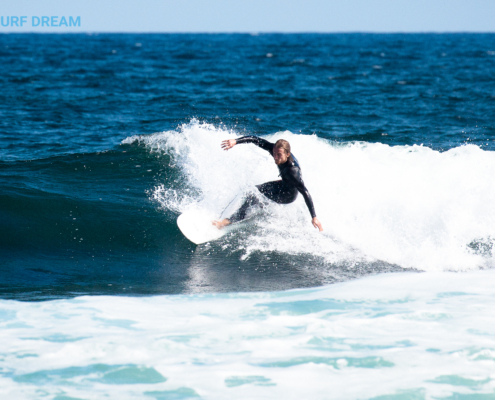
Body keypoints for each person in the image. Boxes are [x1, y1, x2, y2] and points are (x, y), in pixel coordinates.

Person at [212, 136, 323, 231]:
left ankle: (227, 222)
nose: (275, 157)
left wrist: (314, 217)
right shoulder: (275, 150)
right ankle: (246, 210)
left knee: (253, 197)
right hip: (283, 183)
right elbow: (255, 139)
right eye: (274, 153)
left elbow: (305, 192)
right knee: (254, 190)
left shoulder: (293, 172)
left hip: (288, 195)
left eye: (279, 155)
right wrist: (235, 141)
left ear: (287, 154)